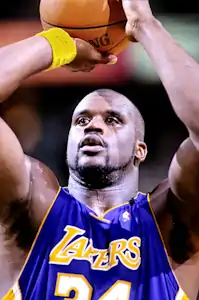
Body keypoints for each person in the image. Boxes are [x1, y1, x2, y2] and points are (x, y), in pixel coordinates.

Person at [1, 0, 199, 298]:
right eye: (81, 120)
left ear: (140, 149)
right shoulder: (32, 208)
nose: (93, 126)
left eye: (113, 120)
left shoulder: (170, 221)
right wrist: (56, 44)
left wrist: (146, 25)